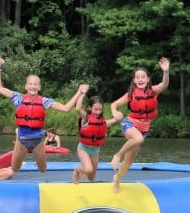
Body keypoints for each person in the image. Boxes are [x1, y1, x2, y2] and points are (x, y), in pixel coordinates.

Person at [0, 57, 89, 174]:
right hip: (22, 139)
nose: (33, 86)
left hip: (38, 140)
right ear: (26, 86)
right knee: (14, 169)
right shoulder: (18, 97)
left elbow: (66, 108)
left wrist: (79, 92)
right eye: (30, 84)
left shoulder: (44, 101)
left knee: (43, 170)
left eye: (36, 84)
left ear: (39, 87)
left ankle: (38, 161)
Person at [110, 57, 170, 193]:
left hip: (143, 129)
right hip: (130, 123)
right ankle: (117, 155)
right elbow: (114, 104)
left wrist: (166, 72)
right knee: (137, 139)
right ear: (134, 81)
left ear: (148, 79)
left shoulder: (153, 91)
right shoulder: (130, 94)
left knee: (129, 161)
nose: (141, 79)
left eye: (143, 77)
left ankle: (117, 178)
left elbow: (164, 85)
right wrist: (115, 112)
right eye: (138, 77)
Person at [73, 95, 121, 184]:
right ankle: (77, 170)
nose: (98, 112)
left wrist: (116, 119)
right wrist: (81, 94)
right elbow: (77, 109)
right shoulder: (85, 117)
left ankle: (82, 171)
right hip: (84, 148)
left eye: (100, 109)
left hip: (95, 150)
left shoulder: (101, 120)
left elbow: (106, 123)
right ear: (90, 108)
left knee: (91, 177)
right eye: (95, 109)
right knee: (88, 169)